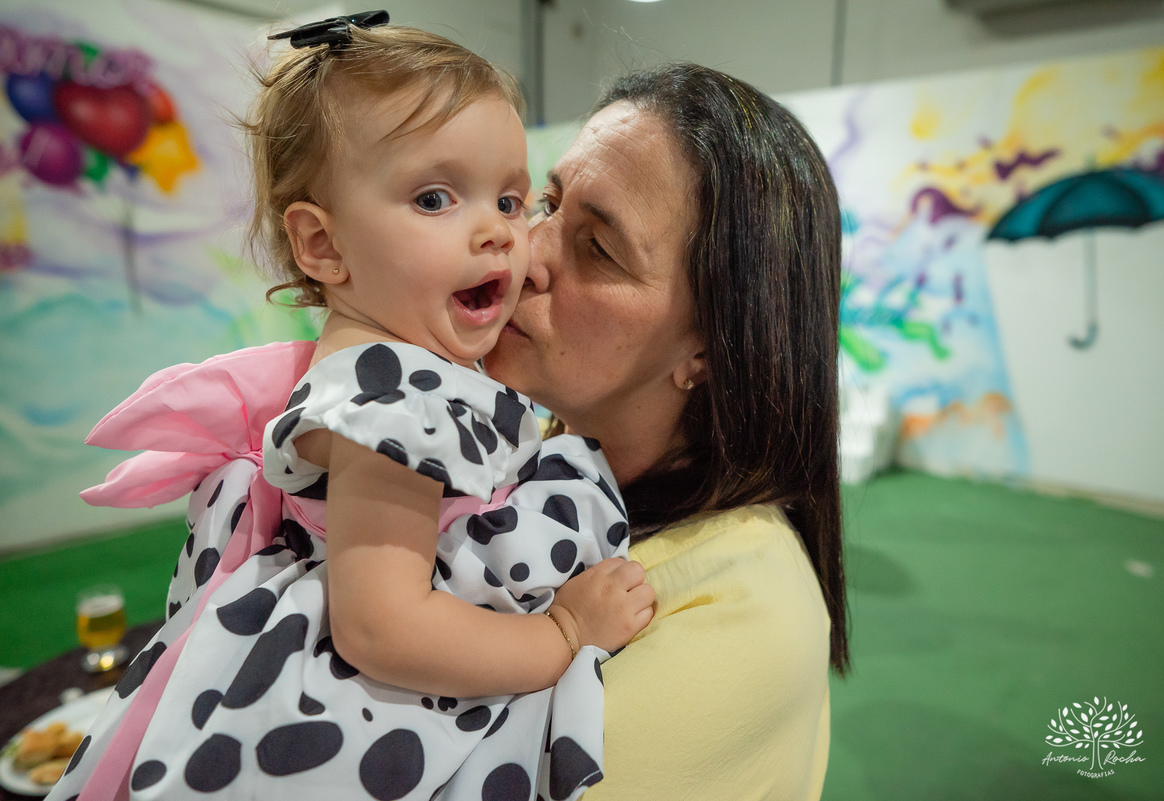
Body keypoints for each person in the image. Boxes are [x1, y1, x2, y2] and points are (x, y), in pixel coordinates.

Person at [50, 16, 652, 801]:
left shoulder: (380, 364)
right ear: (323, 247)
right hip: (340, 722)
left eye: (510, 198)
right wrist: (562, 633)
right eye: (435, 198)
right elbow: (383, 627)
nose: (499, 234)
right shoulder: (389, 393)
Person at [481, 63, 848, 800]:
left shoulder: (744, 621)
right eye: (547, 204)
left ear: (708, 348)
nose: (527, 251)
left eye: (599, 248)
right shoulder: (534, 458)